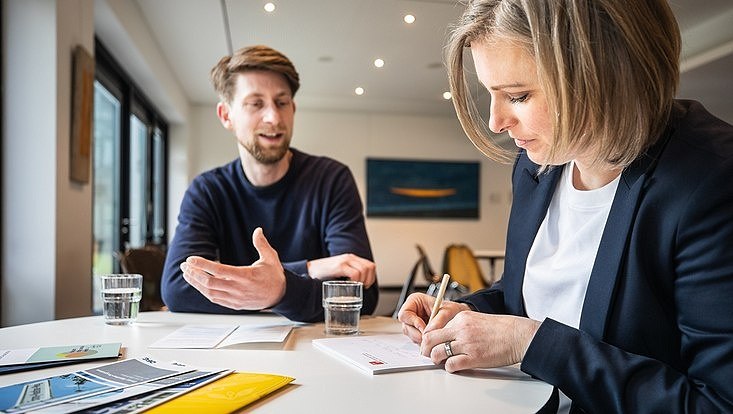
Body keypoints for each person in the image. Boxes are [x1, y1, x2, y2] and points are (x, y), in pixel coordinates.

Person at [398, 1, 733, 412]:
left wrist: (532, 343)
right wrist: (469, 312)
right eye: (491, 95)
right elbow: (528, 291)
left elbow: (716, 403)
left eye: (518, 96)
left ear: (605, 74)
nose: (495, 122)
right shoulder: (536, 166)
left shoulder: (713, 182)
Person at [161, 45, 378, 323]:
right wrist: (309, 269)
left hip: (319, 348)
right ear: (226, 115)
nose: (273, 118)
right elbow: (178, 288)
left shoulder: (332, 179)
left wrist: (280, 289)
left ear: (293, 108)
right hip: (234, 348)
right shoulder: (207, 191)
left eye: (282, 102)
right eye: (255, 103)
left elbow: (362, 294)